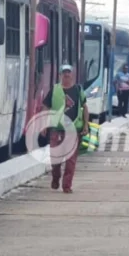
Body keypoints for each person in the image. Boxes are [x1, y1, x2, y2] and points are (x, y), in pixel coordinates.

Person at [42, 65, 89, 193]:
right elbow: (46, 107)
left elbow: (85, 107)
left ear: (72, 74)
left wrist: (85, 125)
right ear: (60, 75)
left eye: (68, 72)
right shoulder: (54, 89)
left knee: (70, 160)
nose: (66, 75)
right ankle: (55, 177)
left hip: (73, 130)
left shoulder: (78, 90)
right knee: (55, 158)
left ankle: (67, 186)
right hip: (56, 129)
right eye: (64, 72)